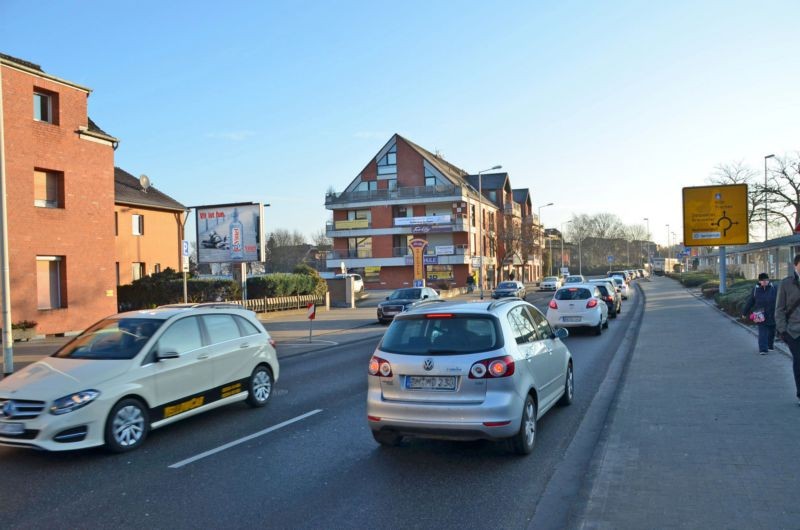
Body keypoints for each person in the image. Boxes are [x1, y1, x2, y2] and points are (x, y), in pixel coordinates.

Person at [776, 254, 800, 406]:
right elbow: (779, 309)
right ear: (796, 265)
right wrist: (783, 330)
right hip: (794, 332)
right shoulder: (786, 283)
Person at [742, 272, 777, 354]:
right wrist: (744, 312)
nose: (764, 282)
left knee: (772, 331)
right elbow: (750, 301)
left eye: (766, 280)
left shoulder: (774, 288)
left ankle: (770, 345)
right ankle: (763, 349)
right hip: (760, 314)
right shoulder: (755, 289)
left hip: (772, 313)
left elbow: (781, 299)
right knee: (762, 332)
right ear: (759, 281)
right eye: (762, 280)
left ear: (768, 280)